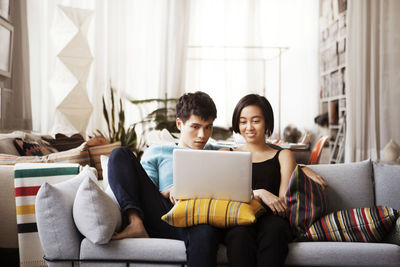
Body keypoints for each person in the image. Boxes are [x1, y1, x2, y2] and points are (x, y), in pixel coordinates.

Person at [108, 91, 222, 267]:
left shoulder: (218, 152)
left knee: (206, 233)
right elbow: (145, 193)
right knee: (119, 154)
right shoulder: (159, 151)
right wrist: (170, 191)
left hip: (199, 218)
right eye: (195, 127)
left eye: (208, 127)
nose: (202, 135)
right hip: (165, 213)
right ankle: (135, 223)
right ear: (179, 124)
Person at [222, 94, 327, 267]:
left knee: (275, 232)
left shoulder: (283, 155)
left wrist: (298, 166)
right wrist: (259, 194)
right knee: (239, 236)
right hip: (238, 216)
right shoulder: (227, 155)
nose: (249, 127)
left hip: (273, 217)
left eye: (256, 120)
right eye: (243, 121)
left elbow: (283, 203)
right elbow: (222, 196)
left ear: (267, 122)